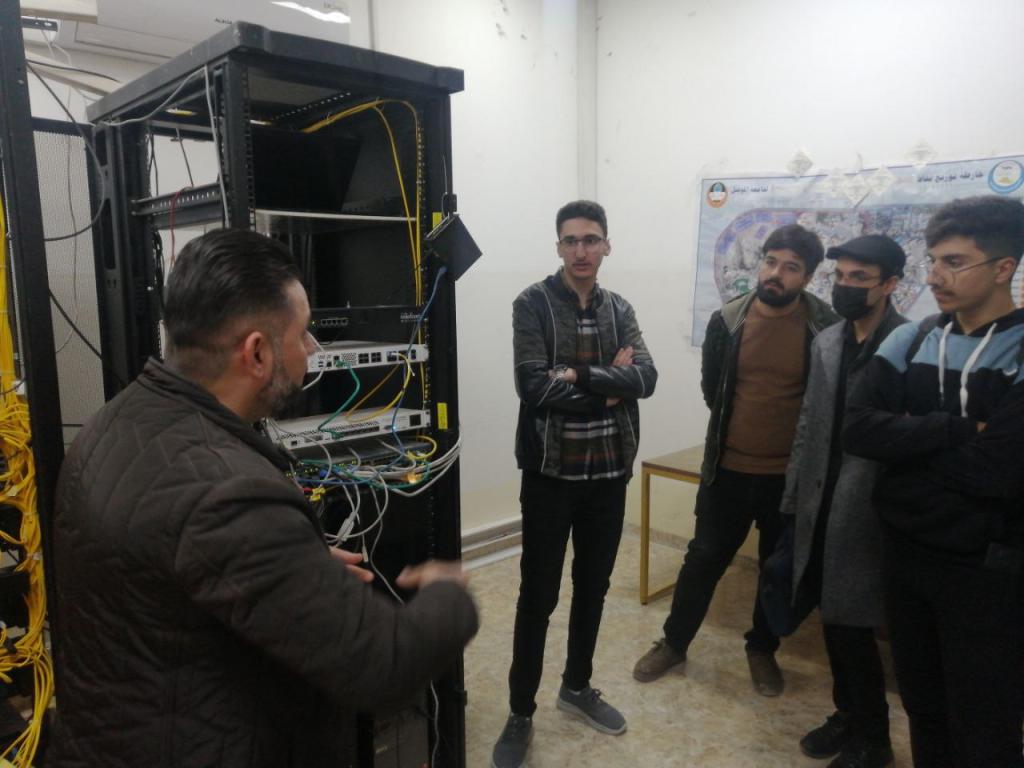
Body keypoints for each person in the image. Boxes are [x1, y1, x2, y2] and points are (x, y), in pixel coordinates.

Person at [46, 229, 479, 767]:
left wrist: (289, 563)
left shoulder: (108, 425)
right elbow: (382, 669)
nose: (312, 350)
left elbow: (171, 570)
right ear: (256, 353)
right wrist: (449, 597)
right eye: (302, 334)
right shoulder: (232, 494)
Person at [844, 196, 1024, 768]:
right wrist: (957, 430)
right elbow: (857, 429)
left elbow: (1001, 470)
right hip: (905, 554)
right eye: (933, 261)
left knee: (985, 720)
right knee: (922, 705)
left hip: (986, 567)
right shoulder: (914, 338)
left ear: (1003, 267)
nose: (934, 276)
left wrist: (905, 444)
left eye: (954, 262)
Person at [633, 223, 838, 695]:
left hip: (788, 479)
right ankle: (674, 643)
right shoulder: (727, 320)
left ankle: (761, 649)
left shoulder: (825, 328)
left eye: (791, 268)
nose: (776, 274)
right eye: (770, 261)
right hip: (726, 471)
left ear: (808, 277)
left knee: (774, 568)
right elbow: (714, 391)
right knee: (702, 559)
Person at [491, 200, 657, 768]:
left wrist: (579, 374)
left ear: (607, 244)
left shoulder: (621, 308)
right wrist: (610, 388)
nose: (581, 251)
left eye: (591, 240)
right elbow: (534, 387)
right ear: (558, 246)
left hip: (609, 474)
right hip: (551, 475)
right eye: (571, 240)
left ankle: (577, 687)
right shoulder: (532, 304)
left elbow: (647, 377)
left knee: (593, 588)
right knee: (538, 596)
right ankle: (521, 711)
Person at [782, 235, 908, 768]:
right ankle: (847, 714)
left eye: (860, 278)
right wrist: (793, 499)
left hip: (869, 508)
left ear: (890, 284)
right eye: (840, 277)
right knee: (832, 618)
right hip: (820, 501)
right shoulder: (829, 340)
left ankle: (873, 737)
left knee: (856, 625)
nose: (846, 286)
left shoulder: (907, 344)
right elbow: (808, 423)